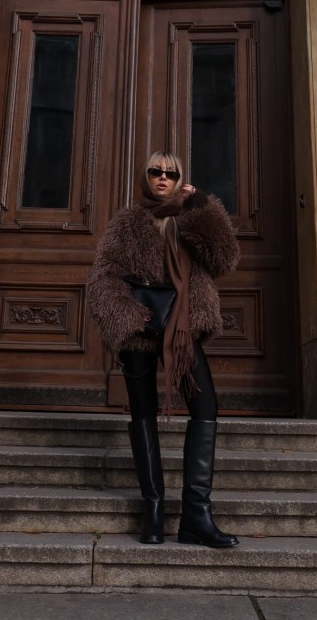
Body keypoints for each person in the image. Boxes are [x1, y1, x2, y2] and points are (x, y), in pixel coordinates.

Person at [87, 151, 240, 547]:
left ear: (179, 180)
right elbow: (103, 276)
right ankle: (153, 511)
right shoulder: (127, 223)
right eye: (155, 171)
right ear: (146, 176)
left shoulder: (191, 215)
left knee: (205, 408)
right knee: (143, 413)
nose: (162, 178)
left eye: (171, 174)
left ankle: (196, 516)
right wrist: (126, 315)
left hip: (183, 331)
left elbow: (224, 259)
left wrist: (200, 208)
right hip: (139, 330)